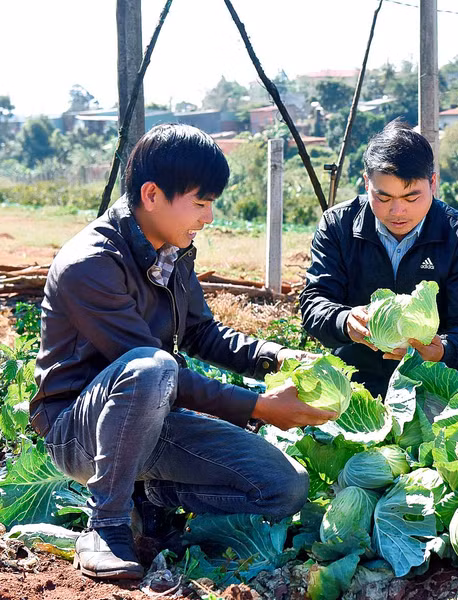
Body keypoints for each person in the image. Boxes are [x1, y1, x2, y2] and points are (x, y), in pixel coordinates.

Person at [30, 124, 335, 581]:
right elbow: (149, 367)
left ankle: (149, 501)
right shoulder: (90, 264)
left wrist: (279, 357)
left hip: (151, 417)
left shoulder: (171, 251)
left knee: (283, 487)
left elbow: (202, 335)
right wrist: (259, 407)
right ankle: (105, 525)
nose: (208, 217)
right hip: (76, 431)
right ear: (152, 194)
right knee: (151, 366)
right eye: (201, 202)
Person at [299, 119, 458, 398]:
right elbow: (314, 301)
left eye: (412, 197)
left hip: (434, 366)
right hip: (358, 361)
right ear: (367, 182)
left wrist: (443, 348)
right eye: (383, 196)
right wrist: (344, 320)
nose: (398, 211)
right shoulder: (337, 225)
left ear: (433, 183)